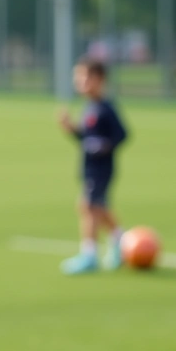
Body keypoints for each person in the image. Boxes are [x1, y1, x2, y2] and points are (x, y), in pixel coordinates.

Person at [57, 58, 129, 274]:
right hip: (90, 167)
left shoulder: (105, 108)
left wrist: (105, 146)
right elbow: (86, 139)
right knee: (97, 207)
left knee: (88, 206)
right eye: (78, 78)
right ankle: (120, 240)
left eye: (86, 77)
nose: (80, 82)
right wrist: (71, 129)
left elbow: (122, 135)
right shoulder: (90, 107)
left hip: (101, 169)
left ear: (100, 80)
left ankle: (89, 255)